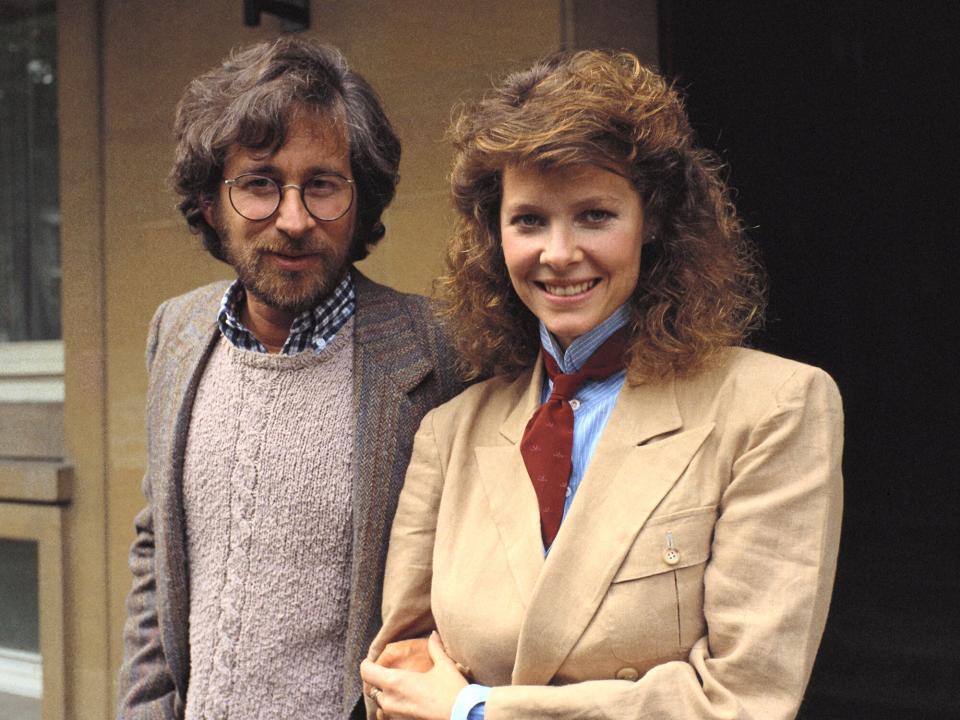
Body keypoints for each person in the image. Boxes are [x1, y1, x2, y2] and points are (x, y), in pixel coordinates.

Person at [360, 49, 843, 720]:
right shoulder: (450, 431)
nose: (559, 253)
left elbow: (743, 701)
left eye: (594, 215)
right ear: (494, 235)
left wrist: (474, 709)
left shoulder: (774, 410)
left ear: (653, 224)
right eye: (529, 219)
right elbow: (398, 679)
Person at [115, 37, 463, 720]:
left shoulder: (441, 348)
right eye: (260, 183)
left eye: (323, 184)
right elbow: (157, 553)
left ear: (362, 199)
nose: (295, 219)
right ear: (211, 203)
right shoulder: (176, 333)